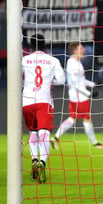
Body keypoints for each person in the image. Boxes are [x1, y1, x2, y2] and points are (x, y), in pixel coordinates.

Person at [22, 34, 66, 183]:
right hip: (44, 101)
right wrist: (49, 78)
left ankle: (34, 161)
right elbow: (61, 80)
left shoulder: (24, 60)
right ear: (45, 45)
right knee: (44, 133)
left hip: (26, 101)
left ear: (30, 46)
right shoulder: (53, 60)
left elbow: (16, 77)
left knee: (33, 132)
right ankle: (42, 162)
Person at [51, 42, 103, 149]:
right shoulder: (72, 64)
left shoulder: (77, 62)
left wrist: (92, 84)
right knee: (87, 119)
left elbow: (81, 80)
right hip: (79, 97)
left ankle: (55, 138)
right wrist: (89, 94)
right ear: (75, 51)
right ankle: (96, 143)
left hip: (76, 96)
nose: (84, 50)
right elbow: (75, 84)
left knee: (73, 118)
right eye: (81, 48)